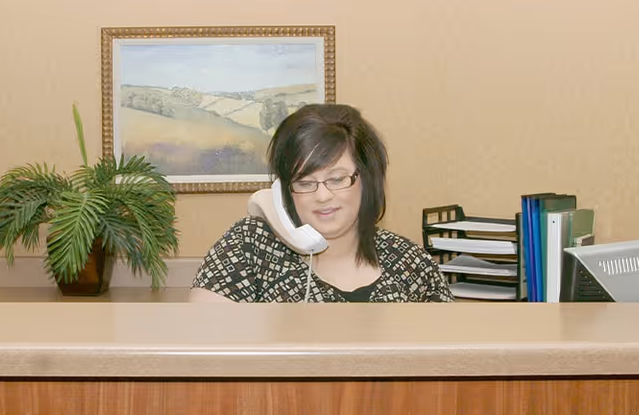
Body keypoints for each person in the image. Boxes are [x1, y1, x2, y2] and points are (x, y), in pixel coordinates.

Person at [190, 103, 454, 303]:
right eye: (304, 183)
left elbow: (450, 358)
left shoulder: (409, 261)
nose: (322, 196)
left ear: (368, 180)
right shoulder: (249, 245)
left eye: (337, 179)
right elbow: (206, 346)